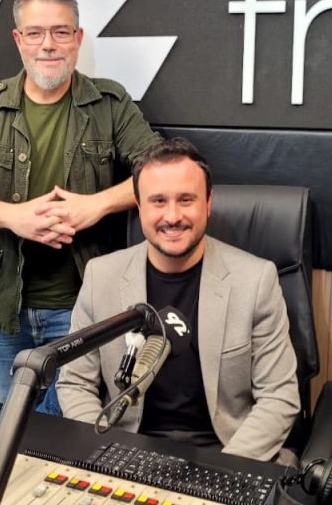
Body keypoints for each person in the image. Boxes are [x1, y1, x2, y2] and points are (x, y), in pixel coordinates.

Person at [0, 0, 162, 415]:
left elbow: (160, 174)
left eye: (60, 32)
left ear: (77, 38)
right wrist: (14, 217)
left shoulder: (109, 104)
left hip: (83, 307)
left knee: (71, 427)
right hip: (5, 306)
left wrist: (95, 204)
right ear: (18, 40)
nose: (48, 45)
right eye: (35, 33)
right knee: (17, 424)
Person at [56, 138, 300, 463]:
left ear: (208, 203)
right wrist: (107, 455)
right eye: (158, 201)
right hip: (126, 451)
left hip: (226, 453)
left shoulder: (255, 280)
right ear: (139, 206)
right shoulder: (101, 277)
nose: (172, 216)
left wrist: (224, 470)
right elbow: (75, 384)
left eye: (186, 199)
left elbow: (279, 397)